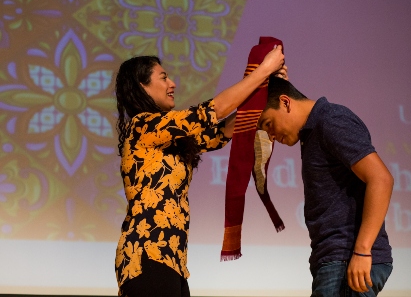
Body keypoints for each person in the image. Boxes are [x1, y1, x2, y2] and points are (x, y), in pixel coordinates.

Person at [114, 47, 285, 297]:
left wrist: (269, 87)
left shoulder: (168, 139)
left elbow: (222, 131)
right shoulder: (141, 126)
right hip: (147, 255)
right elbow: (212, 111)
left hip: (173, 260)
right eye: (163, 77)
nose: (172, 83)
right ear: (142, 86)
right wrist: (264, 70)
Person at [258, 76, 394, 296]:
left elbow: (381, 179)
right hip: (336, 260)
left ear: (285, 102)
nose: (270, 136)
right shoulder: (312, 131)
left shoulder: (330, 120)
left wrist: (362, 251)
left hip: (347, 258)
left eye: (268, 124)